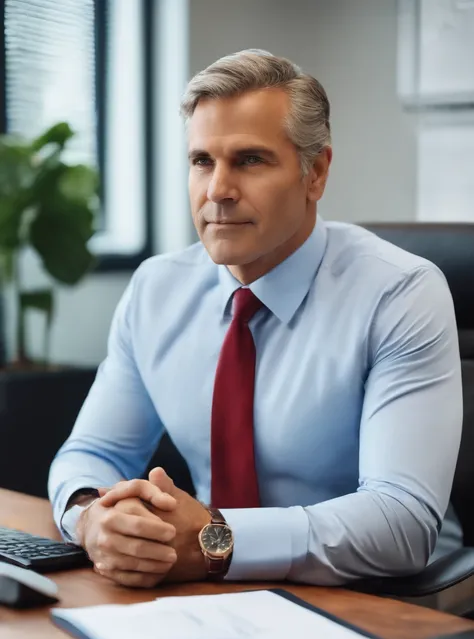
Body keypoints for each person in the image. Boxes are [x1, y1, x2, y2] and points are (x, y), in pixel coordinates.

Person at [48, 49, 463, 589]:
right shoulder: (156, 290)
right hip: (216, 590)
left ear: (315, 173)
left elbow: (401, 523)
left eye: (249, 160)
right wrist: (91, 519)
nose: (217, 190)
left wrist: (215, 540)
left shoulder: (400, 293)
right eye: (202, 161)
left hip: (389, 600)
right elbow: (94, 452)